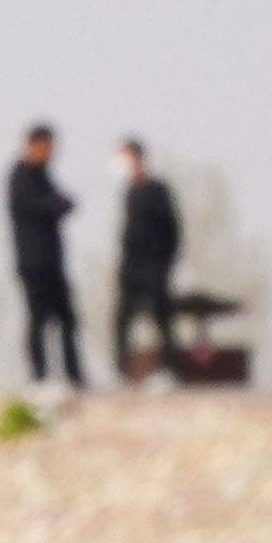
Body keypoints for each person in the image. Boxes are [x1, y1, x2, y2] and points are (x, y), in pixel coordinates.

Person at [6, 124, 83, 388]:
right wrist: (57, 204)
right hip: (32, 261)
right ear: (34, 145)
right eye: (47, 147)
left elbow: (61, 203)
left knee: (67, 318)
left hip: (53, 260)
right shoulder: (20, 176)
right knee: (38, 317)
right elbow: (40, 207)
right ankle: (39, 375)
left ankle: (74, 375)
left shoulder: (44, 176)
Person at [112, 136, 185, 381]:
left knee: (161, 317)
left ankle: (170, 370)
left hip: (154, 264)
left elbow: (173, 229)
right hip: (131, 264)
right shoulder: (129, 191)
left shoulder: (157, 189)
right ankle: (121, 370)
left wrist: (165, 262)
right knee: (123, 317)